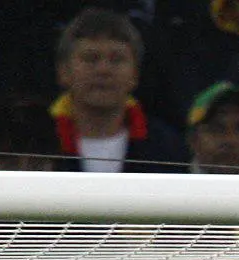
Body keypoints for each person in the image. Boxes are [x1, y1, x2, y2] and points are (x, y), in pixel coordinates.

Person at [31, 7, 183, 172]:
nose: (104, 70)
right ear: (63, 72)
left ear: (135, 74)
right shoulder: (33, 141)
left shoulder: (167, 147)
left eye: (117, 60)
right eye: (90, 59)